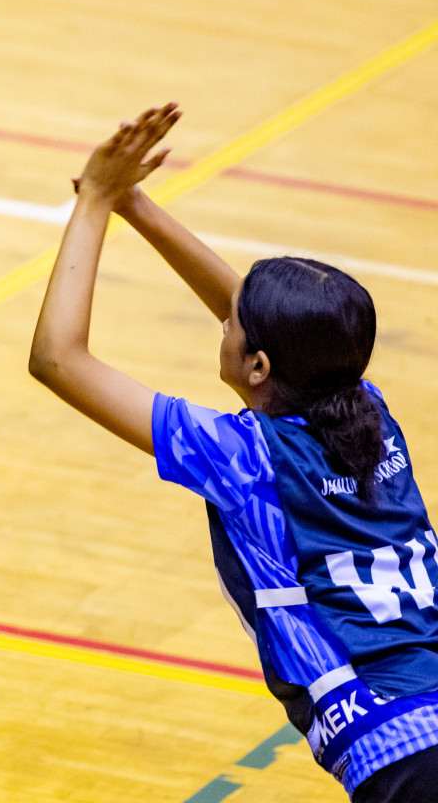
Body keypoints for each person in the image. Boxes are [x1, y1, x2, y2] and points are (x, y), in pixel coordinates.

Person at [28, 104, 438, 801]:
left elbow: (57, 359)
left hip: (401, 754)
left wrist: (96, 199)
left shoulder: (241, 457)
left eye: (233, 326)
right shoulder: (371, 412)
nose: (222, 320)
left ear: (257, 366)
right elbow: (265, 326)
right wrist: (138, 205)